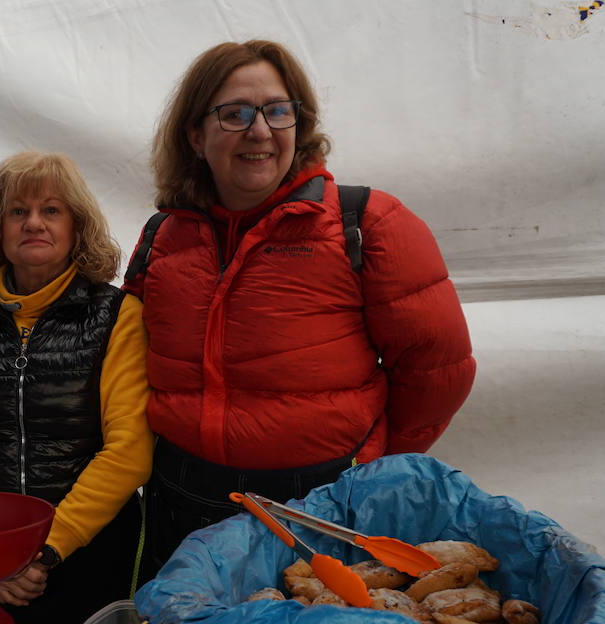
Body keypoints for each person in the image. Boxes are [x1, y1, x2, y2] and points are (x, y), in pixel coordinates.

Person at [127, 39, 476, 581]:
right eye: (235, 113)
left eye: (277, 110)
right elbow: (129, 368)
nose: (260, 131)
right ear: (195, 135)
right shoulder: (161, 239)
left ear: (299, 123)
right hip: (183, 501)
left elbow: (438, 370)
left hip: (321, 507)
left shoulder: (369, 224)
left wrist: (367, 469)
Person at [0, 152, 154, 624]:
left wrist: (43, 551)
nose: (34, 223)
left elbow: (129, 451)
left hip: (94, 553)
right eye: (17, 212)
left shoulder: (117, 316)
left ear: (76, 226)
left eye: (51, 210)